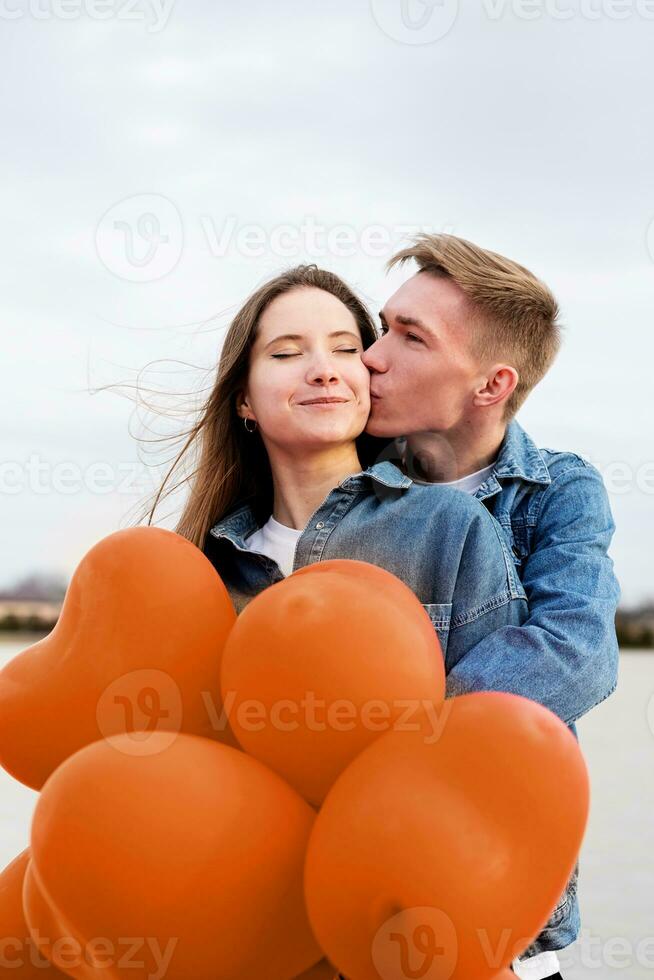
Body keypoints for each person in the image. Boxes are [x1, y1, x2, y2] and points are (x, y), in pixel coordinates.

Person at [361, 233, 621, 980]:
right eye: (384, 326)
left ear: (490, 385)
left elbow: (579, 652)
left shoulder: (561, 493)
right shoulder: (342, 479)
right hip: (351, 891)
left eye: (410, 338)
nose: (372, 356)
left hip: (501, 906)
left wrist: (384, 737)